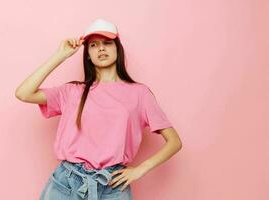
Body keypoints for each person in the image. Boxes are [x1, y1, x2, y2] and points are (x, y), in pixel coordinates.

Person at [15, 18, 182, 200]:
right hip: (66, 183)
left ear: (118, 49)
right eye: (94, 45)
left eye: (107, 43)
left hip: (112, 185)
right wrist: (60, 56)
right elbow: (23, 93)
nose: (101, 48)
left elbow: (174, 141)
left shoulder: (139, 93)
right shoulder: (72, 91)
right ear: (88, 54)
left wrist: (140, 170)